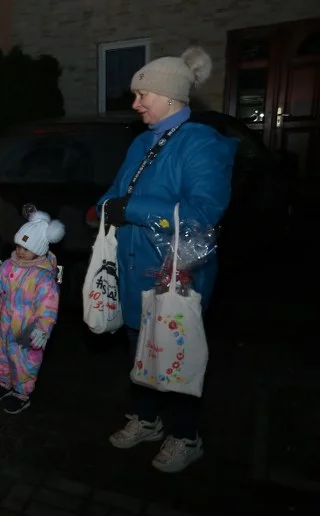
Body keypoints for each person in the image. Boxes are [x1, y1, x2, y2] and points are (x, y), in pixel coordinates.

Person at [92, 46, 237, 473]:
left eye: (143, 95)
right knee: (139, 351)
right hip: (134, 268)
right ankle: (148, 420)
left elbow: (204, 213)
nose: (135, 104)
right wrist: (99, 208)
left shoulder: (201, 144)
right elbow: (120, 191)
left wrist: (131, 211)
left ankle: (186, 437)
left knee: (175, 356)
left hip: (174, 275)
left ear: (170, 97)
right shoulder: (141, 141)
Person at [0, 209, 64, 414]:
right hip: (6, 323)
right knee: (3, 355)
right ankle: (4, 383)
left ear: (39, 249)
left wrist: (43, 328)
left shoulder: (43, 277)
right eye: (18, 245)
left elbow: (48, 307)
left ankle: (22, 393)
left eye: (26, 248)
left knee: (25, 362)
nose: (20, 251)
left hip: (28, 329)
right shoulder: (10, 265)